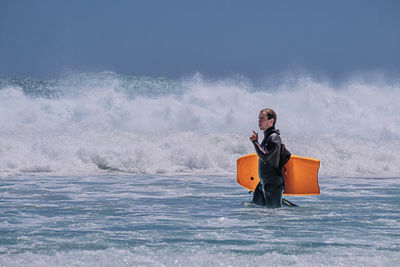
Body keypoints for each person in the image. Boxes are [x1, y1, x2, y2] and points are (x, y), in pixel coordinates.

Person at [249, 108, 285, 208]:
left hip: (273, 185)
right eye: (258, 118)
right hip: (263, 183)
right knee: (254, 208)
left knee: (273, 215)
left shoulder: (274, 138)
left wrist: (255, 142)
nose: (259, 121)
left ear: (271, 121)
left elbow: (265, 156)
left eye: (262, 118)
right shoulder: (267, 137)